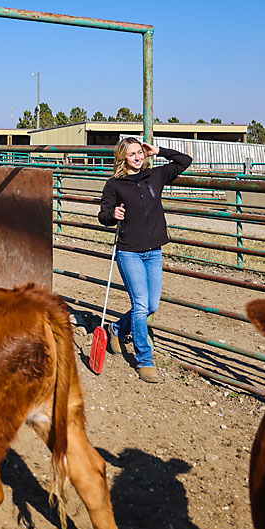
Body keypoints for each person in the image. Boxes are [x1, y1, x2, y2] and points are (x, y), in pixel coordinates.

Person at [97, 138, 192, 383]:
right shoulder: (115, 185)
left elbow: (185, 161)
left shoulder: (156, 175)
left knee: (152, 306)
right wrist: (112, 214)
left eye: (140, 152)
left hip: (154, 251)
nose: (138, 158)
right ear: (122, 158)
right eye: (132, 154)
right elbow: (103, 214)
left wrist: (158, 151)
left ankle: (116, 329)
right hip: (129, 252)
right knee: (140, 304)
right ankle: (144, 359)